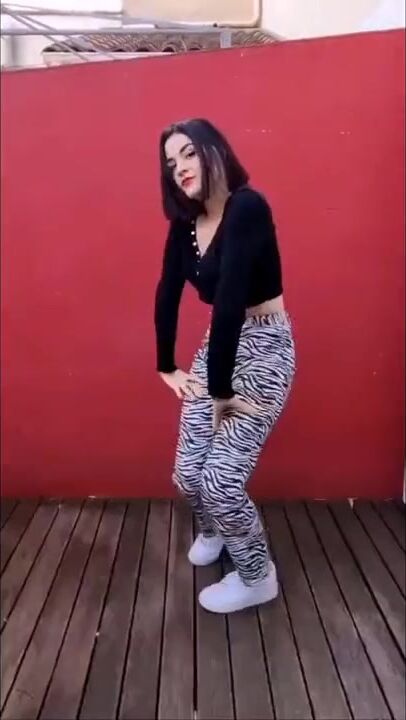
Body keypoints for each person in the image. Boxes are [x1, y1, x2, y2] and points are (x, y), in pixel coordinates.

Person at [154, 118, 295, 613]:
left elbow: (232, 296)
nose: (180, 168)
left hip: (264, 348)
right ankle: (215, 529)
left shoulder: (248, 207)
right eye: (171, 162)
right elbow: (168, 291)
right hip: (220, 344)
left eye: (189, 153)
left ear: (215, 151)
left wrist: (220, 394)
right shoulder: (185, 225)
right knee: (187, 473)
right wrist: (166, 365)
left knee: (220, 481)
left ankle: (257, 577)